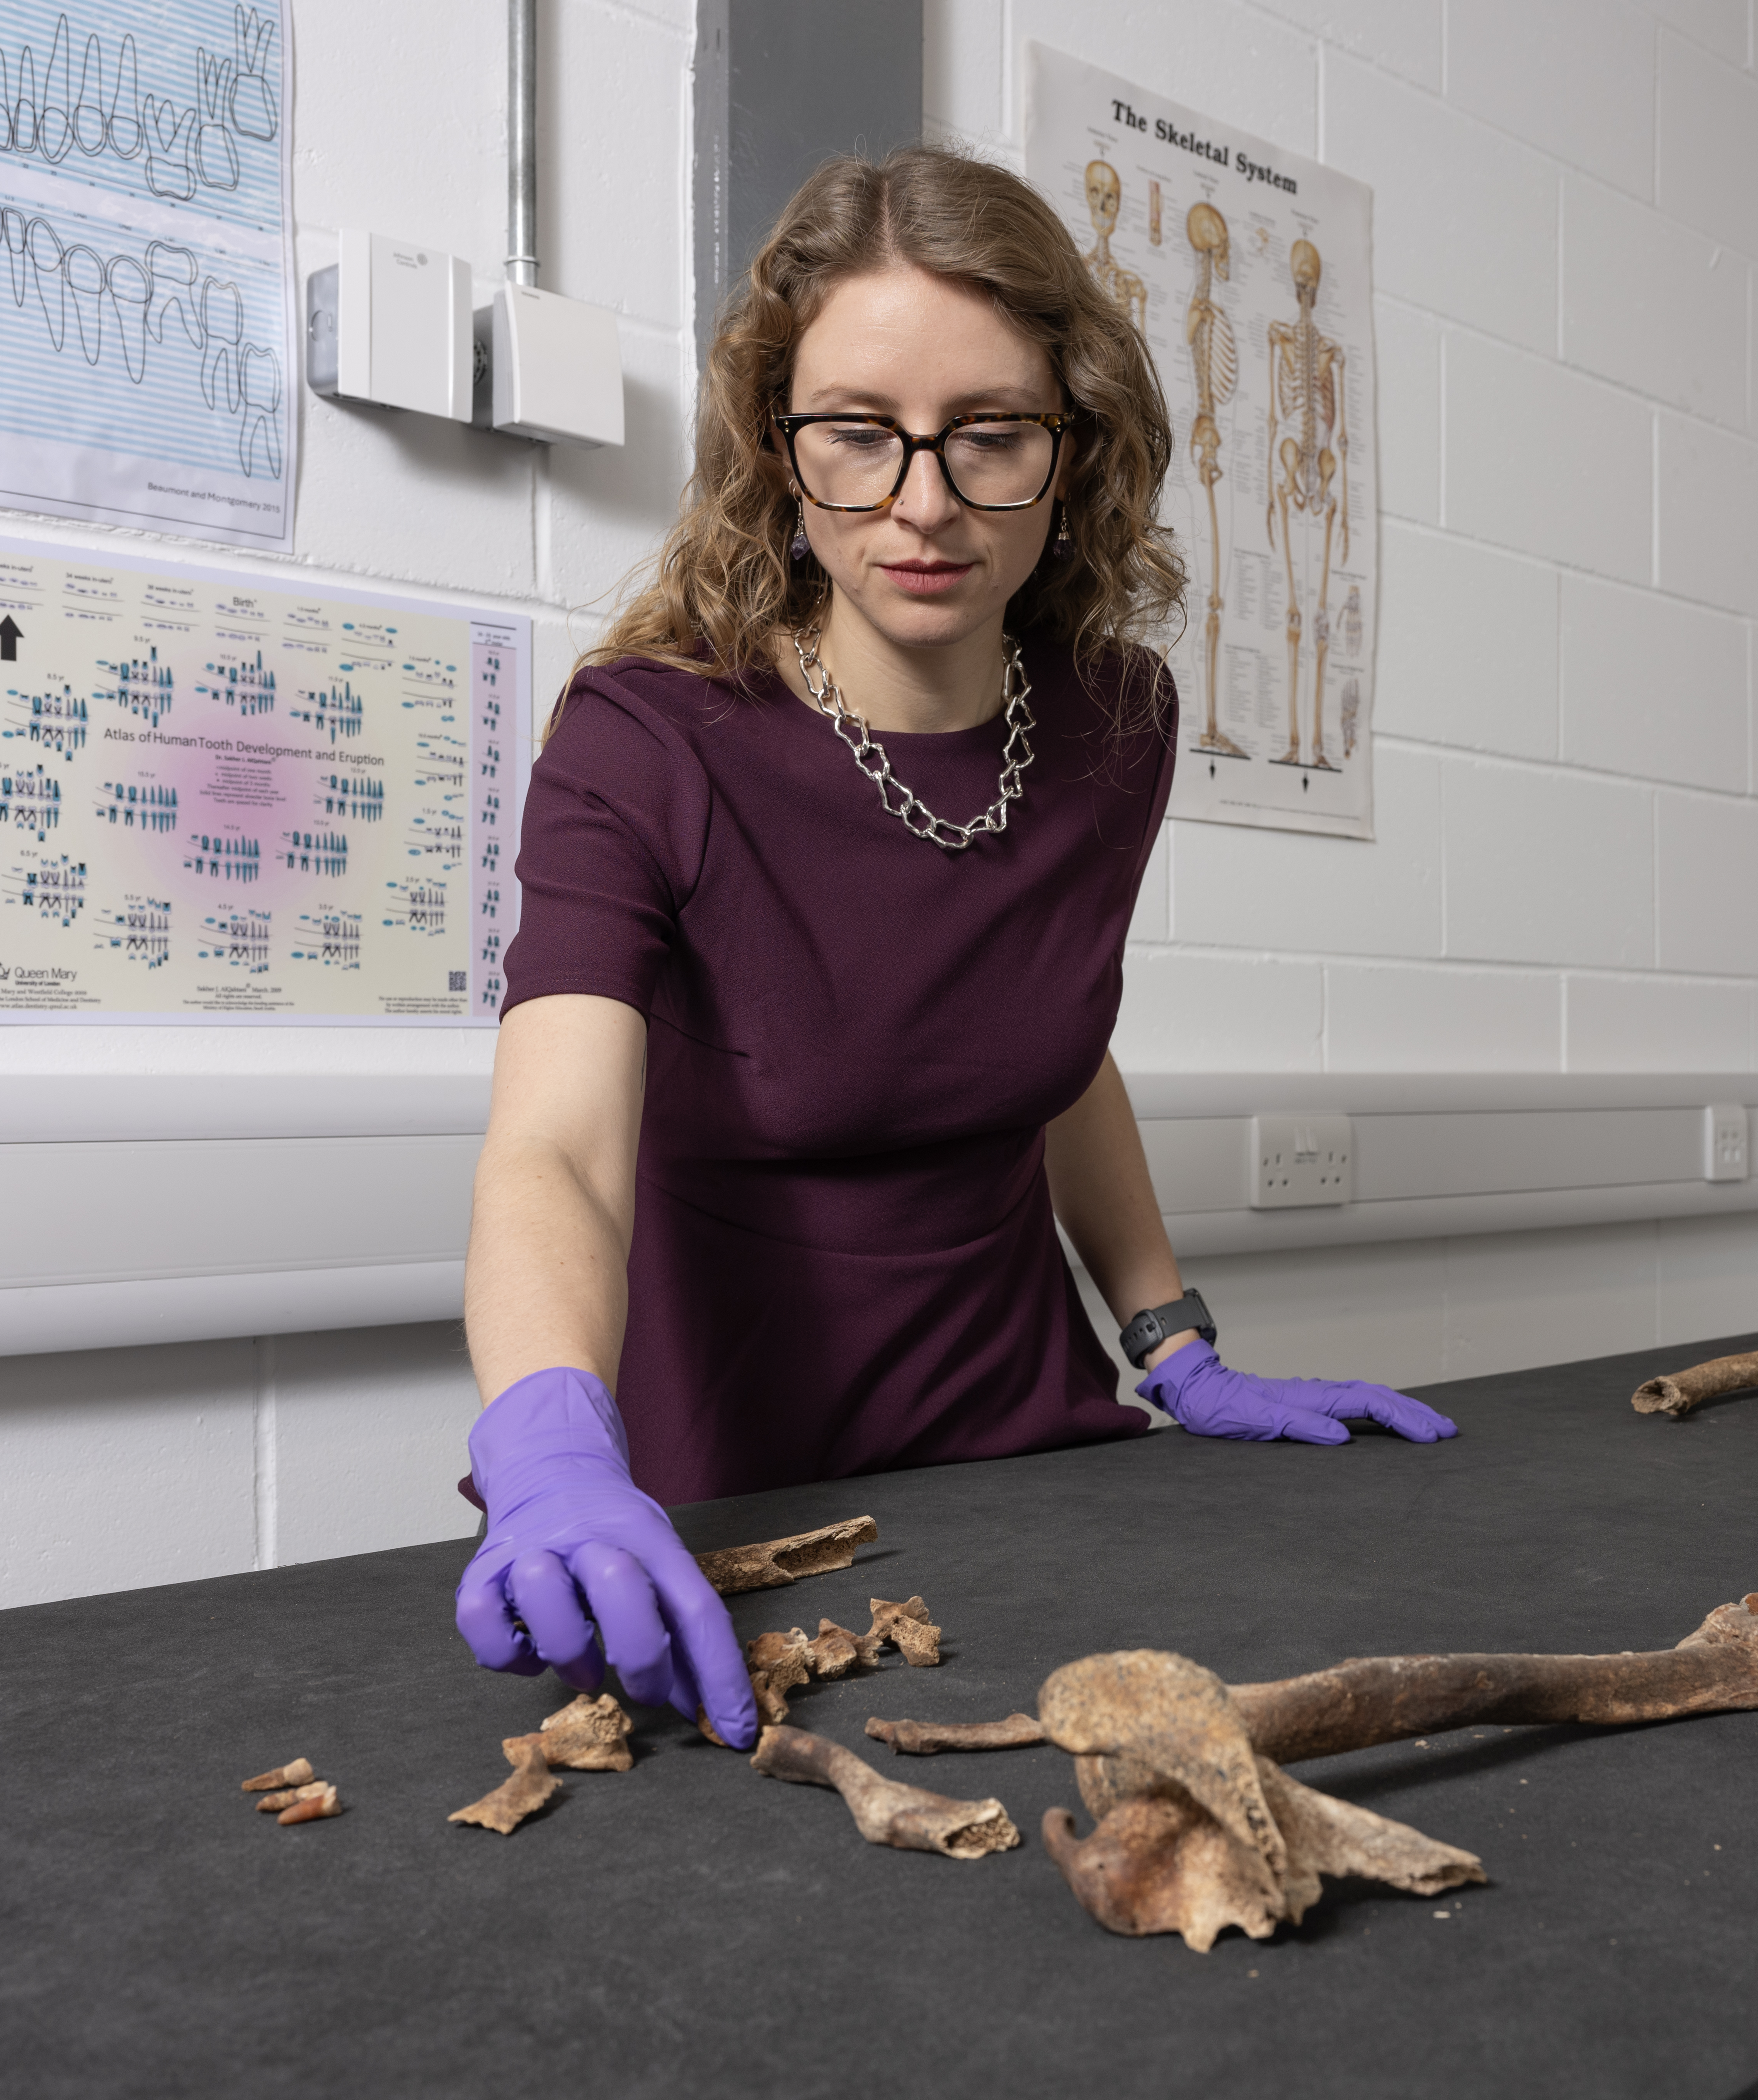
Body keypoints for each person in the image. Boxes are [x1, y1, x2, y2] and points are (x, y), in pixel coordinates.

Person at [449, 150, 1457, 1746]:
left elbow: (1050, 1040)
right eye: (858, 436)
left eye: (990, 437)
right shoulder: (646, 738)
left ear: (1075, 449)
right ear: (779, 453)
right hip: (731, 1525)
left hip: (1044, 1477)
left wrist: (1172, 1340)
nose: (924, 503)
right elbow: (556, 1152)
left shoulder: (1116, 726)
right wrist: (553, 1449)